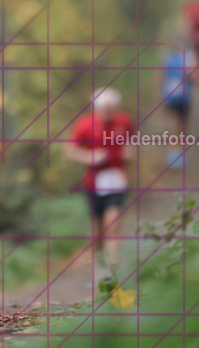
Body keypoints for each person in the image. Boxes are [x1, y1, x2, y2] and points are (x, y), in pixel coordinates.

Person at [65, 87, 134, 281]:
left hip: (117, 178)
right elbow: (70, 150)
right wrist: (89, 157)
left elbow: (131, 140)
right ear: (97, 108)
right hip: (94, 182)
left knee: (113, 223)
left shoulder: (124, 122)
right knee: (97, 227)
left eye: (112, 108)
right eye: (104, 109)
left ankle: (113, 268)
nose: (108, 113)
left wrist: (129, 151)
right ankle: (100, 263)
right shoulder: (85, 125)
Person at [159, 36, 197, 168]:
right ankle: (173, 153)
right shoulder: (168, 58)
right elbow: (162, 76)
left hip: (185, 97)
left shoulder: (189, 58)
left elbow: (195, 76)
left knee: (183, 126)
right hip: (171, 97)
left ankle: (180, 152)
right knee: (174, 125)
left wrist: (190, 71)